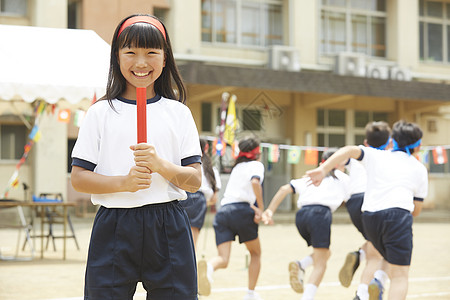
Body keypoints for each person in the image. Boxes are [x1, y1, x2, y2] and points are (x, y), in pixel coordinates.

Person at [71, 14, 202, 300]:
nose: (141, 63)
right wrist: (124, 183)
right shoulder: (100, 113)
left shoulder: (178, 113)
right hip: (114, 225)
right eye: (130, 52)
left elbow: (194, 181)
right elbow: (79, 179)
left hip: (168, 226)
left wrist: (161, 166)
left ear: (165, 59)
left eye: (151, 53)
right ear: (116, 57)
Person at [306, 120, 428, 300]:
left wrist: (323, 169)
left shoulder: (376, 155)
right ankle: (376, 278)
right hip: (398, 216)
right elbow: (416, 211)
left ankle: (372, 279)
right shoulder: (419, 168)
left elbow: (348, 150)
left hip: (370, 217)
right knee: (400, 275)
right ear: (418, 146)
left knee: (379, 252)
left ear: (392, 140)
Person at [262, 148, 350, 300]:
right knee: (321, 263)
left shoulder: (311, 176)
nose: (345, 166)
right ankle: (307, 297)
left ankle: (301, 265)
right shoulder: (342, 178)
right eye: (343, 162)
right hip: (320, 215)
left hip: (301, 216)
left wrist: (269, 210)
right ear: (336, 163)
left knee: (325, 253)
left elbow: (284, 189)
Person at [197, 137, 265, 300]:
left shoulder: (237, 168)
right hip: (241, 212)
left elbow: (237, 196)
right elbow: (255, 183)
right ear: (257, 153)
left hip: (223, 212)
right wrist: (261, 208)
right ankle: (250, 294)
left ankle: (209, 269)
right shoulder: (256, 165)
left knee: (223, 259)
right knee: (255, 253)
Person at [339, 121, 390, 300]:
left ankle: (359, 254)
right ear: (389, 142)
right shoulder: (389, 156)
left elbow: (339, 159)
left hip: (353, 202)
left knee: (373, 243)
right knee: (380, 253)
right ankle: (362, 293)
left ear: (366, 141)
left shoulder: (358, 153)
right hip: (371, 201)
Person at [180, 139, 221, 249]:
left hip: (182, 197)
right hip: (200, 199)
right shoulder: (211, 170)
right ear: (206, 149)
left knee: (179, 231)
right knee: (193, 235)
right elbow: (214, 199)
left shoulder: (183, 164)